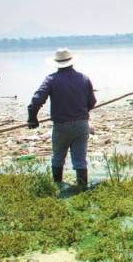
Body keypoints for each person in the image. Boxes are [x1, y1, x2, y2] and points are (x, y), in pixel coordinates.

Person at [27, 48, 96, 190]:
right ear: (72, 62)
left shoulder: (51, 79)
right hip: (81, 125)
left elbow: (36, 100)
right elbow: (92, 102)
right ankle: (82, 188)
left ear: (57, 63)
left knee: (58, 157)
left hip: (61, 126)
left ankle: (58, 186)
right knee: (80, 160)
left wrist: (32, 118)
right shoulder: (84, 79)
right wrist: (81, 111)